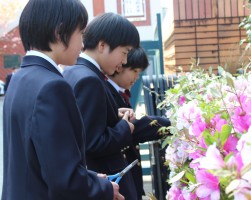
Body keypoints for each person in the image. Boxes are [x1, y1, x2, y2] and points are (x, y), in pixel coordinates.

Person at [1, 1, 123, 200]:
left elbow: (41, 163)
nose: (83, 44)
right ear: (60, 32)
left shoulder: (18, 79)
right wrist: (105, 189)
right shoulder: (52, 86)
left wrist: (91, 178)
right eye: (81, 33)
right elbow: (64, 181)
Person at [63, 13, 140, 199]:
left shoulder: (74, 71)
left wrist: (114, 114)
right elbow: (92, 142)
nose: (124, 61)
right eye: (124, 52)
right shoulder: (90, 80)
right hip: (105, 181)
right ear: (102, 45)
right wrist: (124, 127)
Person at [106, 47, 171, 200]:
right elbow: (133, 129)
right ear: (119, 67)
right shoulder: (106, 91)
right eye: (134, 71)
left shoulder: (118, 92)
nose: (136, 77)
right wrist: (168, 124)